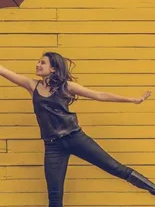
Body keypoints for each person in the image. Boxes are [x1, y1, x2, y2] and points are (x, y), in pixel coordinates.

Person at [0, 51, 154, 207]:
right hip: (53, 146)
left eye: (42, 62)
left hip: (76, 138)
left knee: (115, 168)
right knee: (54, 195)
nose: (38, 65)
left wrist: (132, 100)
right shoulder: (32, 85)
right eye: (38, 62)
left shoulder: (67, 86)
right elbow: (4, 71)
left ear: (53, 68)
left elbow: (99, 95)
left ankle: (152, 189)